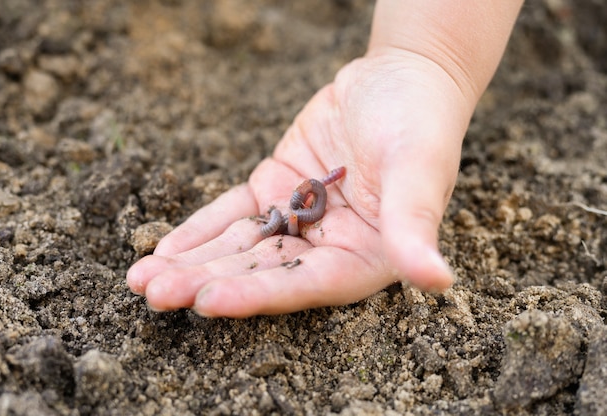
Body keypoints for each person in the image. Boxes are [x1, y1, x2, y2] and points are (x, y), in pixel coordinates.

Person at [126, 0, 524, 318]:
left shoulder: (311, 199)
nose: (326, 184)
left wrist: (426, 62)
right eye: (330, 180)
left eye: (329, 181)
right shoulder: (302, 205)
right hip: (292, 215)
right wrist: (416, 53)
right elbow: (305, 203)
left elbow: (318, 192)